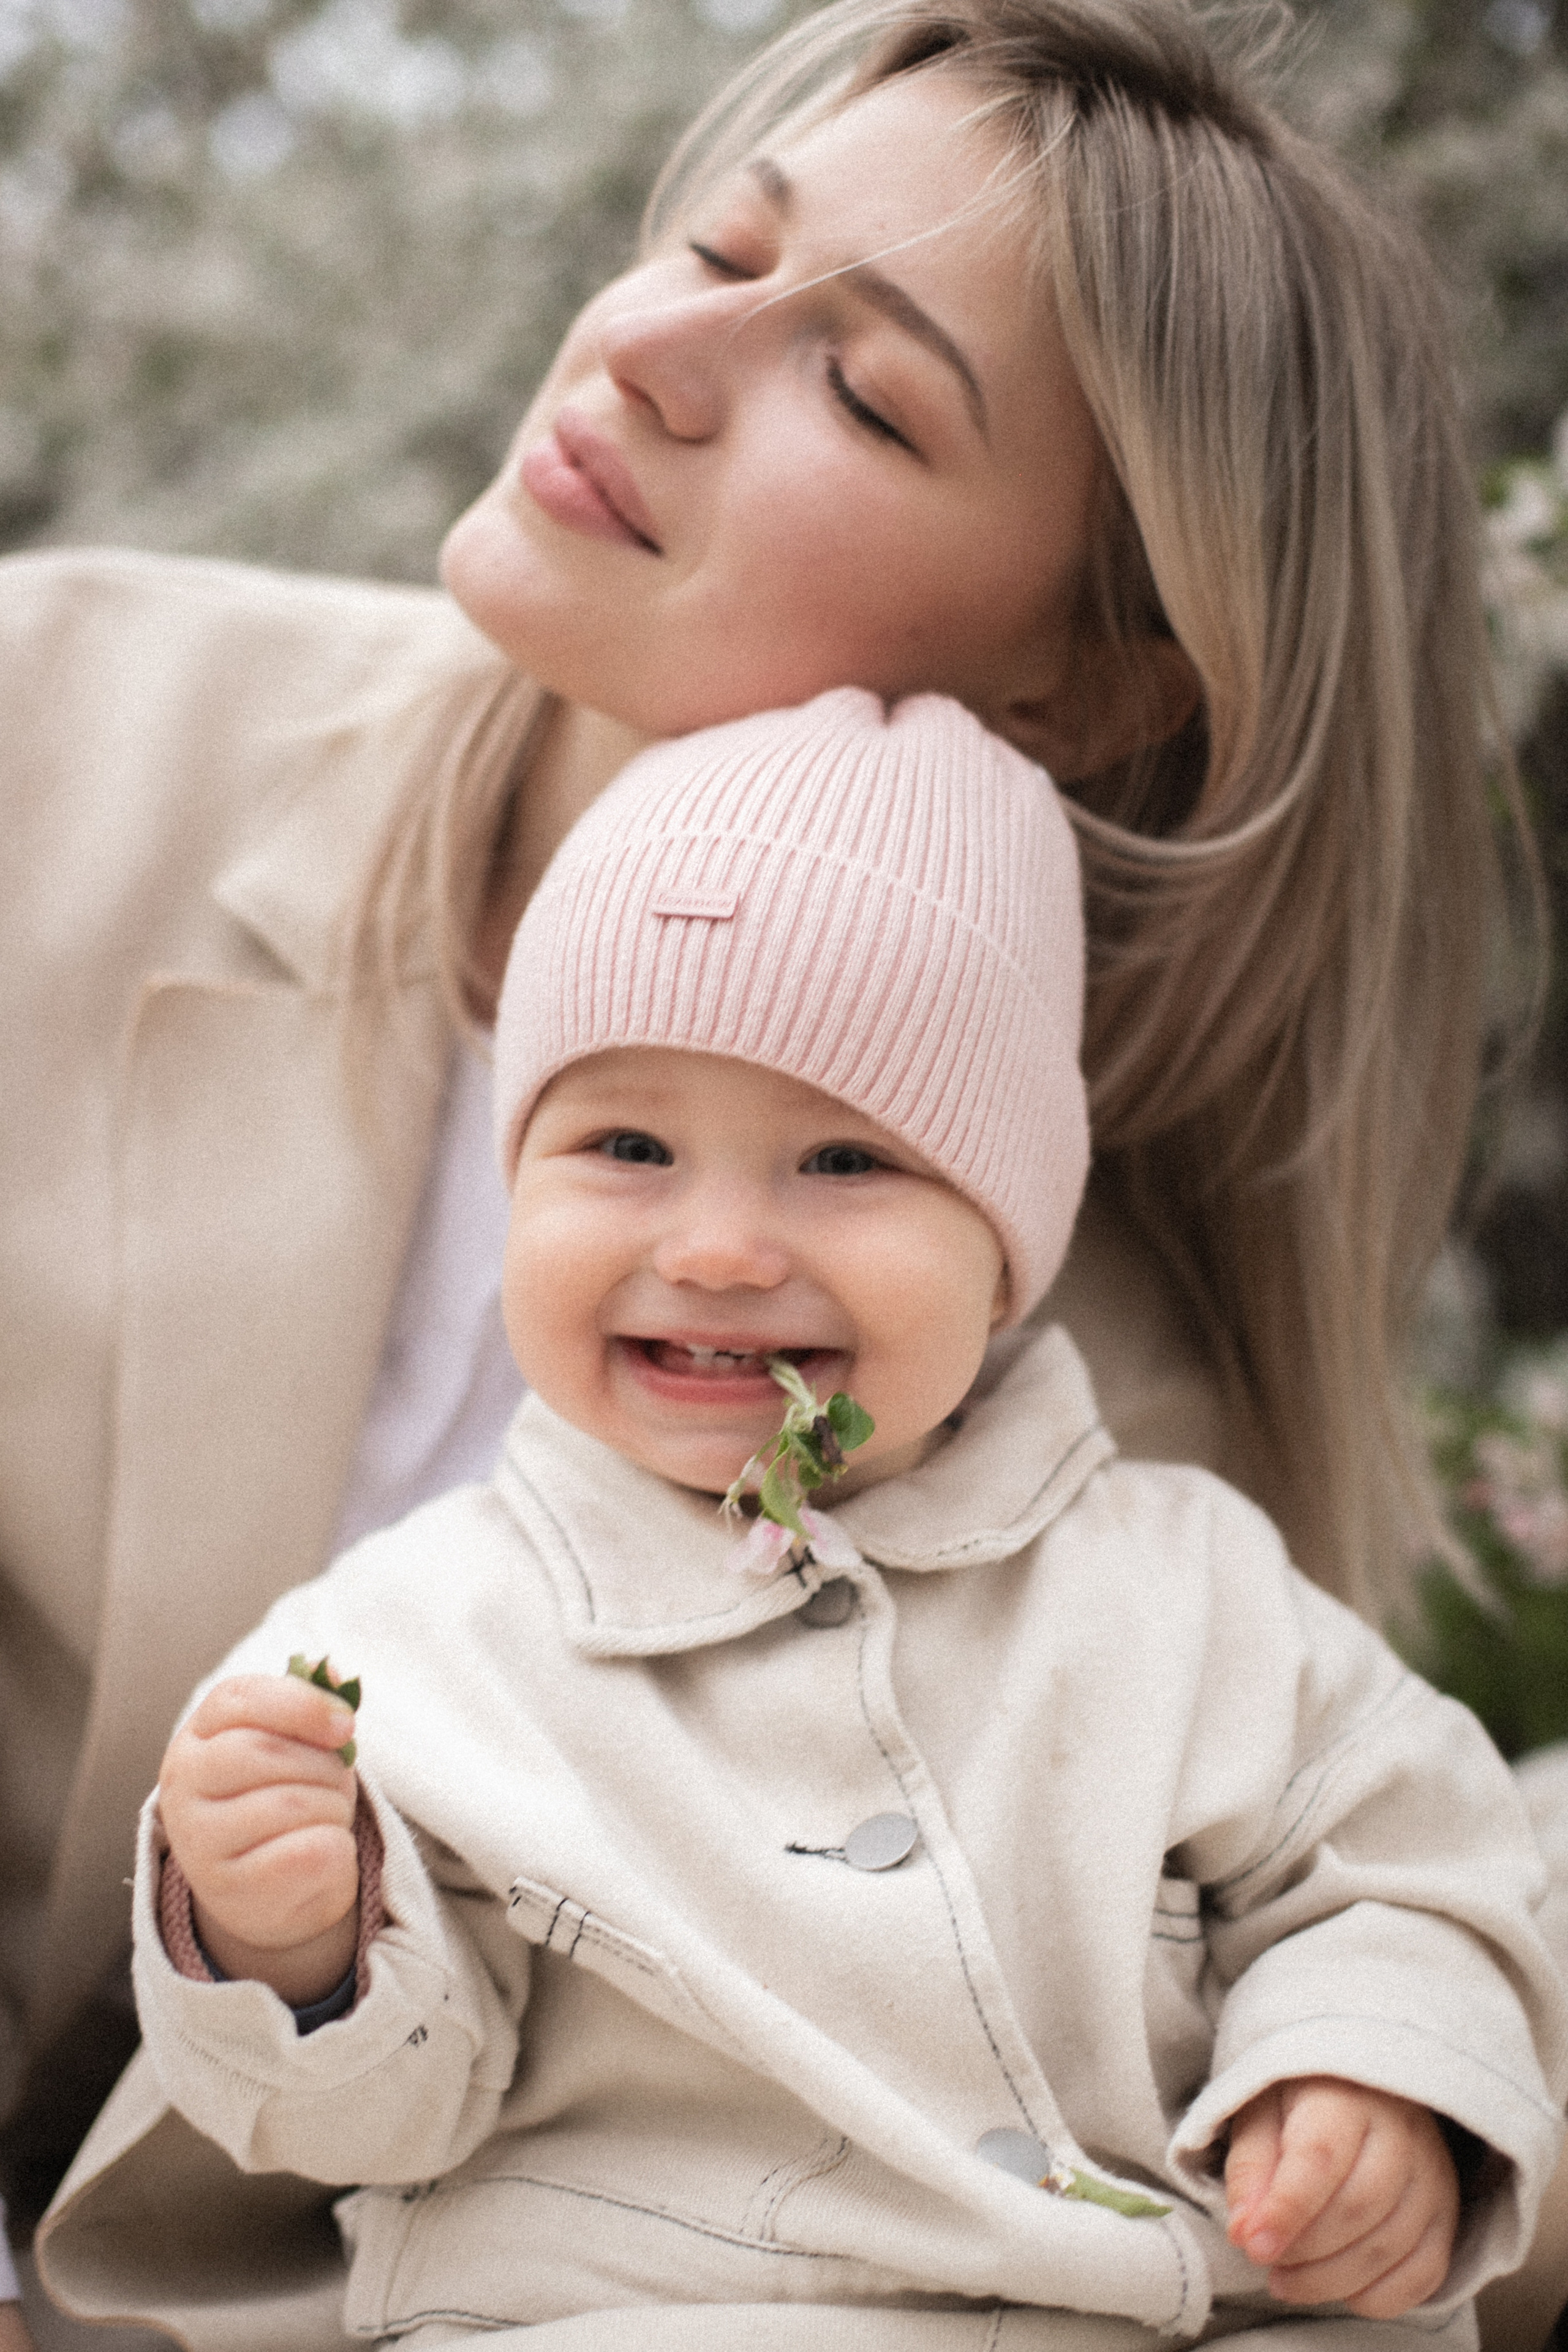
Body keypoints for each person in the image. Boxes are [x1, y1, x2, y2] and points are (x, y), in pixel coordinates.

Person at [2, 1, 1562, 2346]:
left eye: (868, 388)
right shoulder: (52, 738)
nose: (647, 351)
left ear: (1091, 683)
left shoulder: (1104, 1443)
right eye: (715, 243)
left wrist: (1371, 2107)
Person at [130, 688, 1568, 2349]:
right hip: (635, 2314)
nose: (724, 1245)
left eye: (842, 1163)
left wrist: (1364, 2068)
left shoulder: (1183, 1581)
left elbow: (1395, 1863)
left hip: (1160, 2302)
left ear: (1009, 1235)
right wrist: (290, 1945)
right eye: (628, 1145)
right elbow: (377, 2129)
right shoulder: (399, 1651)